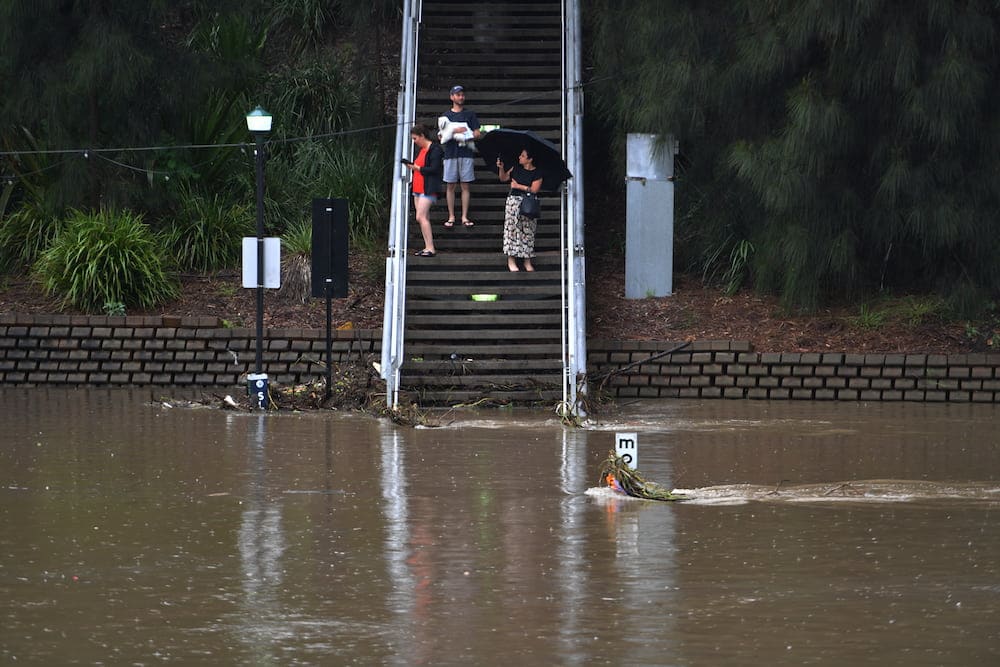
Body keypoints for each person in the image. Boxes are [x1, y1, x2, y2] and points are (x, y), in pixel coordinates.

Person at [497, 147, 543, 272]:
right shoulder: (515, 168)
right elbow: (504, 178)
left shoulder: (537, 173)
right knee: (511, 229)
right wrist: (501, 168)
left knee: (528, 231)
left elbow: (534, 189)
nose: (520, 157)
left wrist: (519, 186)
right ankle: (511, 259)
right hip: (513, 201)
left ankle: (527, 259)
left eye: (523, 156)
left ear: (530, 159)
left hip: (528, 202)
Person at [440, 84, 481, 227]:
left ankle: (464, 216)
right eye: (458, 94)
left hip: (466, 153)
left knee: (465, 185)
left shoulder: (470, 114)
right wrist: (454, 131)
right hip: (450, 154)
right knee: (450, 185)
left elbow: (477, 133)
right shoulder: (446, 116)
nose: (461, 97)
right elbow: (441, 136)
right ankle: (451, 216)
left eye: (462, 94)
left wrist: (466, 134)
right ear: (452, 97)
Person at [404, 123, 443, 257]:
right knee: (423, 217)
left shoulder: (435, 149)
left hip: (429, 188)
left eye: (415, 139)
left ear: (422, 136)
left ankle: (431, 248)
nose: (414, 142)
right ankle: (427, 246)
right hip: (418, 188)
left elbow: (434, 168)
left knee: (420, 216)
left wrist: (418, 169)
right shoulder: (421, 151)